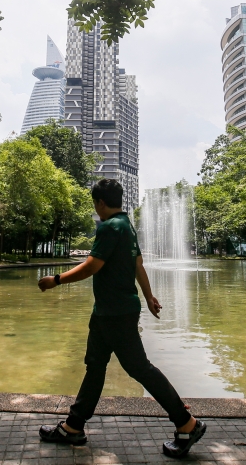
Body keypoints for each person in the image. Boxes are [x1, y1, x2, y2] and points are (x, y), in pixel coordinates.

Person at [36, 178, 207, 458]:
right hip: (107, 312)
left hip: (115, 313)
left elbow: (93, 265)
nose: (96, 210)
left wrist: (56, 280)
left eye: (95, 205)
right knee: (95, 366)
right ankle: (73, 427)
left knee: (140, 369)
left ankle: (186, 423)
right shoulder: (127, 226)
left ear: (100, 203)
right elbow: (137, 264)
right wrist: (149, 297)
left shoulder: (110, 227)